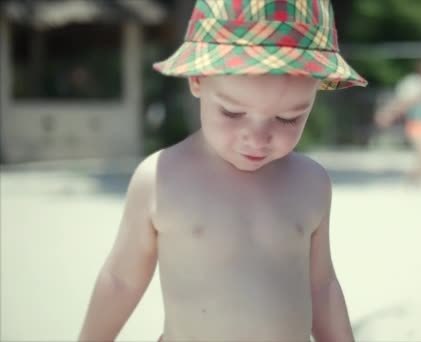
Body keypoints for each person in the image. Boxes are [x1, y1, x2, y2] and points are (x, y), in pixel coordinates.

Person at [78, 1, 367, 341]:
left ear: (315, 91)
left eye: (288, 118)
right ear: (198, 80)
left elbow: (322, 286)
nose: (258, 138)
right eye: (232, 112)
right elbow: (121, 280)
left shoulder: (311, 183)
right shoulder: (161, 177)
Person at [374, 61, 421, 184]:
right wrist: (388, 114)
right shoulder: (414, 85)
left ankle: (416, 175)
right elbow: (403, 103)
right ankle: (418, 176)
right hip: (416, 123)